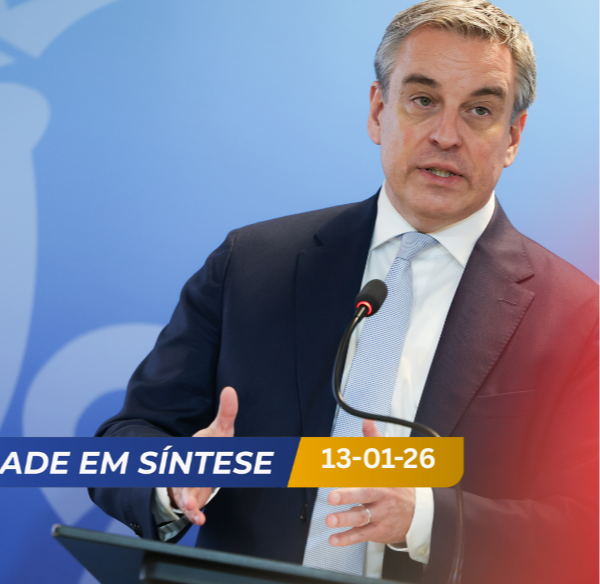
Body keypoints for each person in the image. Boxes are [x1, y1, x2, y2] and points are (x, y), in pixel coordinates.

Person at [89, 1, 600, 582]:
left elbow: (586, 526)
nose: (446, 136)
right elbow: (124, 441)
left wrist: (425, 517)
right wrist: (172, 479)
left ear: (512, 136)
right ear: (379, 111)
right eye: (423, 100)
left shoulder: (577, 318)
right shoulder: (253, 265)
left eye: (479, 110)